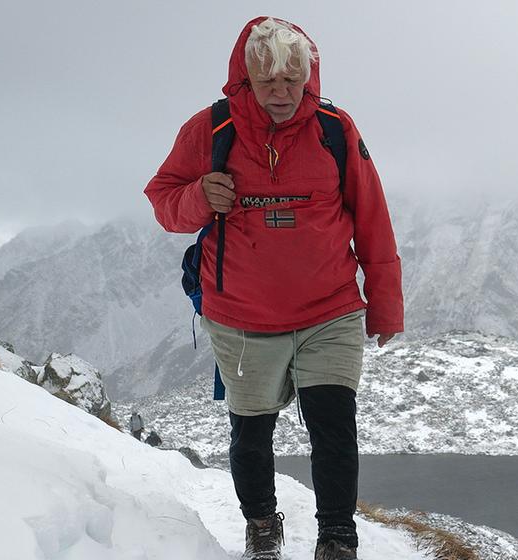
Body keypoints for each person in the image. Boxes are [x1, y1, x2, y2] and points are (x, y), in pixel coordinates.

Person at [144, 16, 404, 560]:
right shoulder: (210, 131)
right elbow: (164, 201)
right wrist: (199, 197)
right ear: (245, 80)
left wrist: (384, 304)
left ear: (309, 77)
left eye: (293, 80)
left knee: (334, 425)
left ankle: (338, 540)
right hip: (241, 316)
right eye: (269, 83)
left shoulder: (336, 129)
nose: (282, 94)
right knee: (251, 434)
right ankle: (262, 524)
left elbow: (372, 216)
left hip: (329, 311)